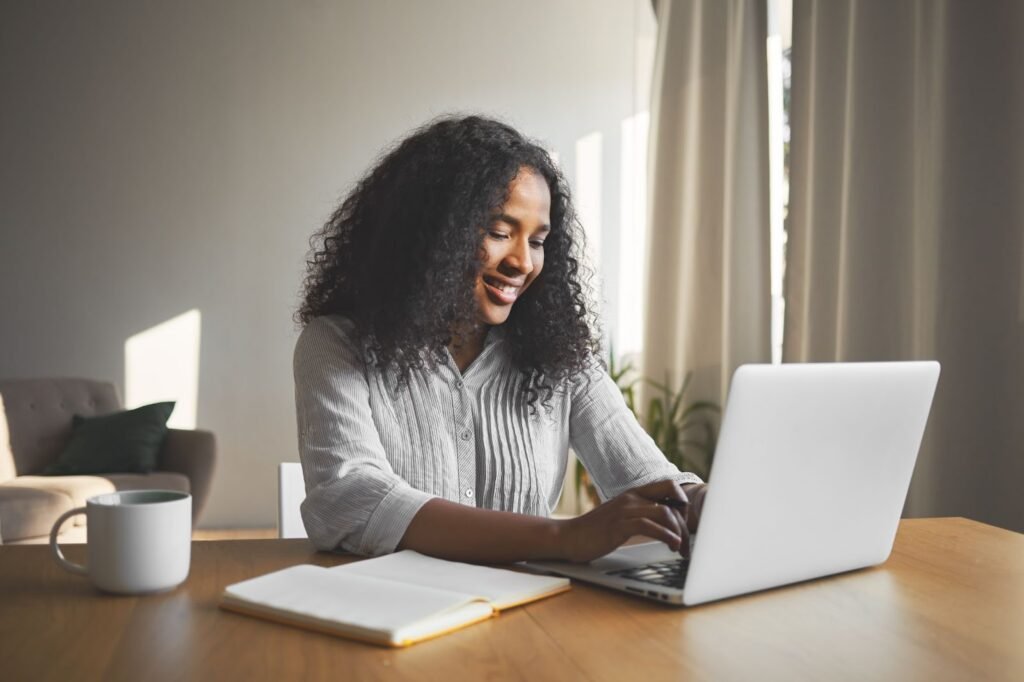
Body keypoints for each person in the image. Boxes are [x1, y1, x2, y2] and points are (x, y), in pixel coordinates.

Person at [294, 114, 706, 564]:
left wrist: (707, 503)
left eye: (538, 240)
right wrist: (562, 537)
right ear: (430, 232)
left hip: (528, 619)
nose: (523, 262)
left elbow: (649, 482)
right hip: (396, 616)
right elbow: (352, 500)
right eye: (499, 233)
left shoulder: (561, 358)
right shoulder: (336, 344)